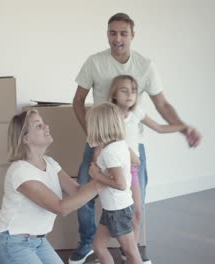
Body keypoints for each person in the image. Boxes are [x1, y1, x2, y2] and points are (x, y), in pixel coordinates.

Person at [70, 12, 202, 264]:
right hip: (98, 145)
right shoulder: (95, 62)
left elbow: (162, 105)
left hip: (129, 150)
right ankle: (88, 242)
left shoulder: (144, 66)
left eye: (123, 33)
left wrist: (184, 129)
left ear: (132, 35)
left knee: (134, 202)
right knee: (84, 195)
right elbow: (78, 101)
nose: (117, 38)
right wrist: (91, 134)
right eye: (112, 32)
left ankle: (129, 250)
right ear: (107, 33)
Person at [0, 109, 101, 264]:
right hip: (12, 240)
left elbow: (77, 191)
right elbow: (60, 208)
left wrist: (104, 178)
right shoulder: (20, 171)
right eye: (38, 125)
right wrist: (101, 182)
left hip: (39, 241)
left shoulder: (50, 163)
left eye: (43, 123)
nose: (46, 126)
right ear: (25, 138)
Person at [107, 74, 187, 256]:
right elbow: (109, 139)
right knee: (116, 213)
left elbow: (159, 128)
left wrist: (182, 127)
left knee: (137, 211)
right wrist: (129, 152)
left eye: (133, 91)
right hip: (116, 170)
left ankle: (130, 252)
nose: (129, 95)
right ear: (114, 94)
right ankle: (107, 247)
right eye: (124, 90)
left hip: (133, 170)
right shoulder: (109, 114)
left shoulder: (137, 113)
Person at [86, 102, 142, 264]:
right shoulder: (120, 145)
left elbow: (121, 184)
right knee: (98, 246)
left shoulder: (110, 152)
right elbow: (136, 161)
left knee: (131, 252)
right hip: (112, 208)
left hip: (117, 210)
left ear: (99, 127)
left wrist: (97, 175)